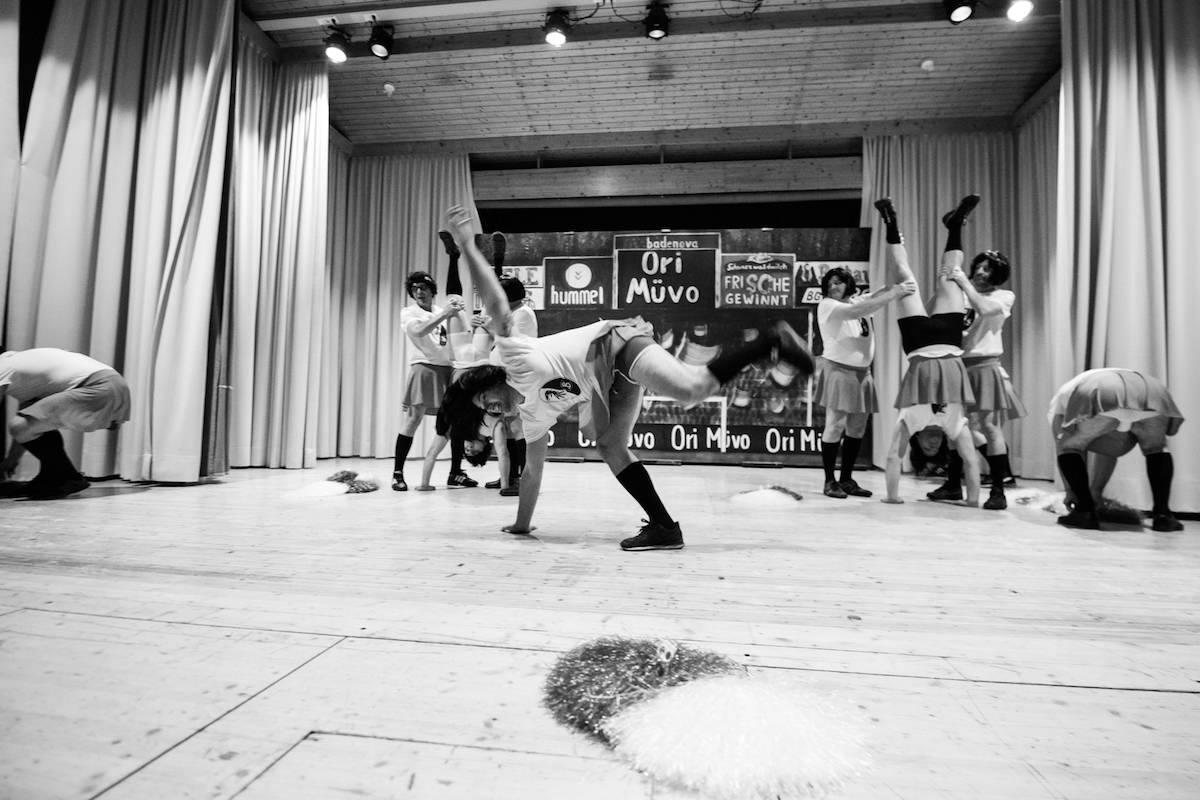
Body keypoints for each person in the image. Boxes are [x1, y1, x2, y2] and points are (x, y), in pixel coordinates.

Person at [441, 203, 815, 550]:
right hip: (608, 382)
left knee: (691, 390)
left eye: (487, 399)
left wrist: (467, 245)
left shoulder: (512, 357)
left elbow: (495, 302)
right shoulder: (531, 417)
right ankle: (665, 528)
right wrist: (522, 525)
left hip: (616, 345)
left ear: (491, 381)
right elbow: (532, 472)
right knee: (610, 445)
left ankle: (771, 341)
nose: (493, 409)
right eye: (486, 410)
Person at [874, 194, 982, 506]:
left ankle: (890, 222)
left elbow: (893, 457)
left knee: (903, 275)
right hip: (949, 342)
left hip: (919, 343)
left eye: (928, 447)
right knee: (950, 276)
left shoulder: (910, 420)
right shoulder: (955, 425)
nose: (933, 444)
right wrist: (973, 501)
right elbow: (971, 461)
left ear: (919, 442)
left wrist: (892, 498)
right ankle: (956, 224)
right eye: (937, 447)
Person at [927, 249, 1026, 510]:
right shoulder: (961, 293)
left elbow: (983, 308)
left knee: (990, 426)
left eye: (988, 269)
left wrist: (963, 283)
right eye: (979, 267)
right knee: (952, 426)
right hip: (956, 363)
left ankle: (998, 489)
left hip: (984, 364)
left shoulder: (1003, 296)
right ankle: (952, 484)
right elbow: (932, 314)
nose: (981, 272)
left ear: (998, 274)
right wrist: (945, 286)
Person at [814, 266, 914, 498]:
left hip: (862, 374)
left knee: (857, 427)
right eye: (830, 283)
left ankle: (846, 479)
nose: (833, 286)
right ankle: (829, 481)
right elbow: (860, 308)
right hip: (839, 371)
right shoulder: (827, 305)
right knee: (835, 425)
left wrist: (894, 284)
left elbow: (875, 296)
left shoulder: (856, 302)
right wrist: (894, 293)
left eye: (838, 282)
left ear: (848, 284)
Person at [1049, 368, 1185, 532]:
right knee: (1157, 449)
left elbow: (1063, 449)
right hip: (1152, 390)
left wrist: (1071, 492)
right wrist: (1096, 491)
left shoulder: (1058, 406)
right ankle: (1163, 516)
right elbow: (1109, 452)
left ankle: (1085, 512)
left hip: (1103, 390)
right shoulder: (1080, 384)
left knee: (1070, 446)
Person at [0, 348, 130, 499]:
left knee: (19, 425)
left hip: (99, 386)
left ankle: (68, 477)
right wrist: (11, 460)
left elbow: (19, 427)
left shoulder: (3, 367)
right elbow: (26, 426)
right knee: (29, 424)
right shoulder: (18, 367)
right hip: (114, 384)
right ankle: (52, 476)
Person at [392, 271, 472, 491]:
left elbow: (461, 334)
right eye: (415, 288)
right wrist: (446, 313)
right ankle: (397, 474)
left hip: (449, 369)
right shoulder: (409, 312)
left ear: (432, 291)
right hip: (424, 367)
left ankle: (455, 473)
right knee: (413, 419)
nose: (419, 292)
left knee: (456, 422)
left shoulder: (440, 310)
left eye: (424, 287)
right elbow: (418, 331)